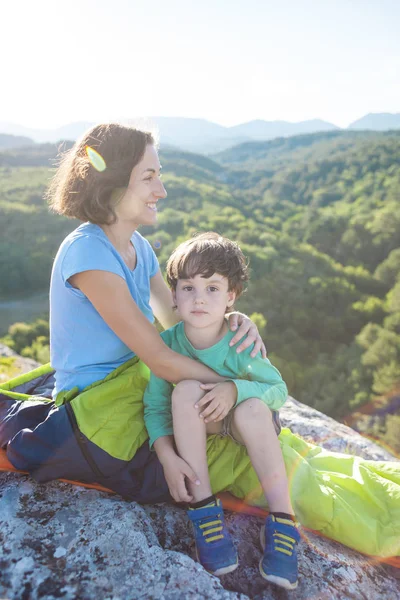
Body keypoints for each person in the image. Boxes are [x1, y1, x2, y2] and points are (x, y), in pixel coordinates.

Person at [0, 123, 265, 501]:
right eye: (149, 177)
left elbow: (178, 320)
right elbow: (160, 357)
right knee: (238, 436)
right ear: (113, 183)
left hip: (138, 383)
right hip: (99, 403)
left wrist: (234, 320)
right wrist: (236, 386)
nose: (162, 190)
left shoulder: (139, 247)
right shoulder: (88, 253)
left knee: (244, 428)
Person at [143, 232, 300, 590]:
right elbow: (154, 406)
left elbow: (278, 390)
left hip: (249, 423)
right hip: (206, 422)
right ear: (174, 295)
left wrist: (234, 388)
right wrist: (167, 456)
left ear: (231, 296)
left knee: (251, 410)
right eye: (188, 288)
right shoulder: (168, 344)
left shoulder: (240, 339)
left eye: (213, 288)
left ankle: (283, 519)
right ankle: (204, 509)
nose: (199, 298)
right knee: (182, 391)